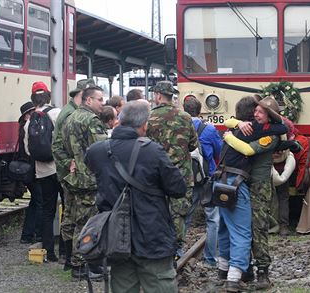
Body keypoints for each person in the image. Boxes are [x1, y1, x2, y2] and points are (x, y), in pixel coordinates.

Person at [85, 101, 186, 293]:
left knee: (122, 286)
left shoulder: (97, 151)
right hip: (152, 234)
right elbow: (178, 188)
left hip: (116, 236)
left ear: (119, 121)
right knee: (160, 284)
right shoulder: (153, 151)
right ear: (144, 124)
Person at [216, 96, 288, 292]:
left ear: (269, 116)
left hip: (258, 185)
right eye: (255, 111)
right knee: (242, 227)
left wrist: (228, 136)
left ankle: (262, 270)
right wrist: (238, 123)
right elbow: (228, 121)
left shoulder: (270, 136)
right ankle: (243, 268)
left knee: (258, 228)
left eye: (260, 112)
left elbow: (248, 150)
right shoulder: (255, 128)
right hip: (245, 183)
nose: (255, 114)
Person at [147, 81, 198, 259]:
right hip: (181, 174)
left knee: (157, 210)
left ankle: (159, 246)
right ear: (171, 96)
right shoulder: (185, 117)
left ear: (158, 95)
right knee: (179, 213)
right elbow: (193, 145)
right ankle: (176, 249)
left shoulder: (149, 118)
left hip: (156, 174)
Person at [61, 86, 108, 278]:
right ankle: (81, 266)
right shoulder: (91, 120)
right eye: (99, 99)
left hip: (73, 176)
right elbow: (104, 148)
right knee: (86, 221)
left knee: (70, 219)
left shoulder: (69, 118)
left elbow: (63, 146)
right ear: (88, 100)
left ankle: (70, 261)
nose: (102, 103)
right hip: (88, 179)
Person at [52, 78, 95, 270]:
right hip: (72, 175)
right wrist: (67, 163)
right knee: (74, 215)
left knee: (71, 215)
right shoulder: (70, 114)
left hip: (73, 174)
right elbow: (57, 145)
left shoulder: (72, 112)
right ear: (85, 96)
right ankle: (69, 257)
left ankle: (68, 257)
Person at [23, 82, 62, 261]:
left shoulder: (30, 120)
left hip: (43, 171)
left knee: (48, 210)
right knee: (67, 208)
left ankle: (49, 252)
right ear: (48, 96)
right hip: (61, 169)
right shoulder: (57, 113)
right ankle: (65, 250)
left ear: (33, 99)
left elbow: (28, 149)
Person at [183, 96, 222, 267]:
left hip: (187, 179)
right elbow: (219, 151)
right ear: (200, 111)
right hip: (207, 177)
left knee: (184, 216)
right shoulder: (209, 129)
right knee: (213, 218)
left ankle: (177, 254)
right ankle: (210, 259)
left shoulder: (180, 127)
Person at [18, 101, 43, 244]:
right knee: (39, 202)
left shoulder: (23, 128)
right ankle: (36, 234)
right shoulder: (29, 129)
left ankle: (27, 235)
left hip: (28, 171)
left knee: (34, 202)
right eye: (32, 112)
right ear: (27, 115)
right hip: (32, 171)